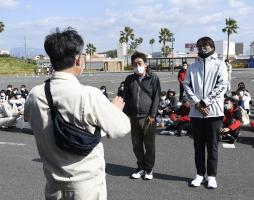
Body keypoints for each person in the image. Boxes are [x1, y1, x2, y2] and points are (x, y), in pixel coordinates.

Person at [24, 27, 131, 200]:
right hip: (86, 187)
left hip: (53, 185)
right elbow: (121, 128)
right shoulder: (89, 94)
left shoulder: (35, 94)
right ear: (78, 59)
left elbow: (30, 120)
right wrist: (114, 110)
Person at [184, 36, 228, 189]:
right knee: (198, 146)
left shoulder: (220, 65)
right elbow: (186, 86)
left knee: (213, 146)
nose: (203, 48)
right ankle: (199, 174)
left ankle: (212, 176)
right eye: (200, 46)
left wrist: (205, 101)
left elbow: (222, 85)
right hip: (196, 113)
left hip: (214, 112)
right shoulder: (192, 67)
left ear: (212, 47)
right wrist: (197, 103)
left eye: (206, 46)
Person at [123, 51, 161, 180]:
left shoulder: (153, 78)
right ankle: (140, 167)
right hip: (133, 117)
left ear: (146, 64)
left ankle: (149, 169)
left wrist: (152, 115)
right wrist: (127, 114)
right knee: (136, 145)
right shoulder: (129, 79)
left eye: (139, 63)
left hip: (147, 118)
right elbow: (126, 98)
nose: (137, 66)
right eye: (134, 64)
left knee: (149, 145)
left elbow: (156, 97)